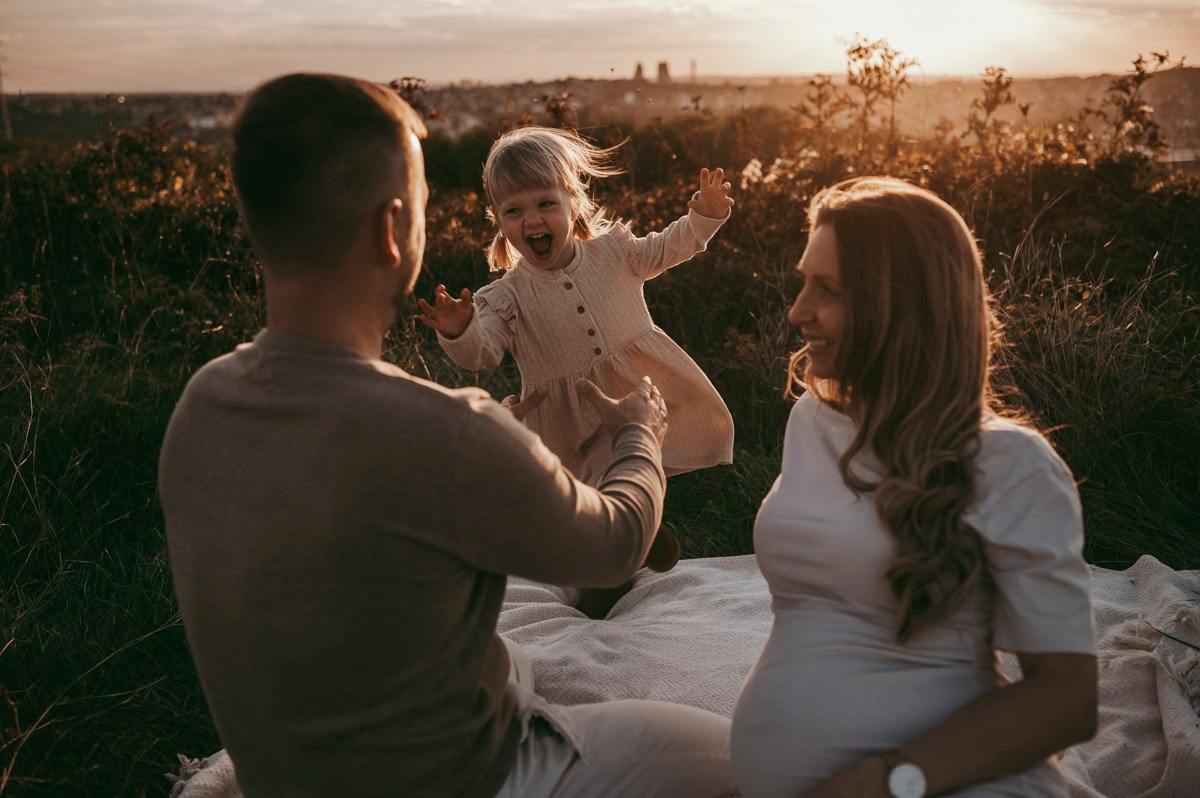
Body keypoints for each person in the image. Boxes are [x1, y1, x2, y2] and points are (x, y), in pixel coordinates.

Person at [159, 73, 735, 798]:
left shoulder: (201, 408)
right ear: (392, 229)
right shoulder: (450, 431)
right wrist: (639, 434)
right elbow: (616, 542)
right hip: (473, 774)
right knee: (754, 755)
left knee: (511, 659)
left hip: (288, 773)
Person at [730, 177, 1098, 798]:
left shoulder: (1012, 464)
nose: (797, 312)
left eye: (827, 290)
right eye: (803, 283)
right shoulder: (813, 420)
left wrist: (879, 783)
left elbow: (1067, 700)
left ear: (899, 305)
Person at [417, 128, 736, 581]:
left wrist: (703, 218)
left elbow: (667, 247)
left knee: (622, 468)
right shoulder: (507, 296)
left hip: (632, 394)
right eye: (514, 211)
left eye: (546, 203)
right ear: (498, 221)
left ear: (574, 201)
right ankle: (628, 549)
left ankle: (624, 552)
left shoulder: (614, 251)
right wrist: (461, 330)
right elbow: (482, 353)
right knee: (591, 496)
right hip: (568, 420)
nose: (532, 220)